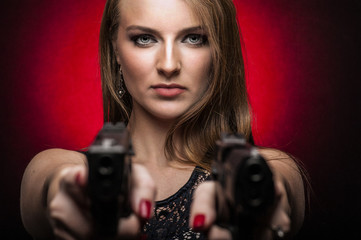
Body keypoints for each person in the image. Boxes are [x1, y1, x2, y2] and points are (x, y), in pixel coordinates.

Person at [20, 0, 308, 239]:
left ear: (219, 51)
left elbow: (280, 184)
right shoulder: (56, 166)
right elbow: (53, 182)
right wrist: (71, 191)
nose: (169, 65)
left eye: (193, 38)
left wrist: (262, 198)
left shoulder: (275, 168)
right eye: (144, 38)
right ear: (115, 50)